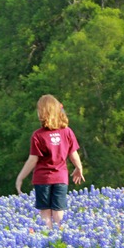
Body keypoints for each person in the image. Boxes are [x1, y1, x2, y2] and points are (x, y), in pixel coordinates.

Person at [16, 94, 85, 229]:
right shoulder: (67, 132)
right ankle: (60, 239)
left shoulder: (38, 135)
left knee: (45, 214)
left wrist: (20, 177)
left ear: (43, 112)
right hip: (61, 178)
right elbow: (73, 153)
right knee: (59, 212)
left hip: (42, 179)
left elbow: (32, 159)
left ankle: (48, 239)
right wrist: (79, 167)